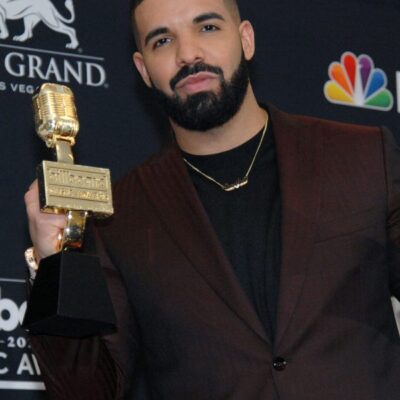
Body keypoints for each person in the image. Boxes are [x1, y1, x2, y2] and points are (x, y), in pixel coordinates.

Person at [24, 0, 400, 399]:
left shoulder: (361, 156)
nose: (188, 54)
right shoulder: (121, 215)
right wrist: (53, 264)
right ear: (143, 69)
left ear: (246, 39)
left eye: (207, 27)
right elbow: (88, 390)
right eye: (163, 40)